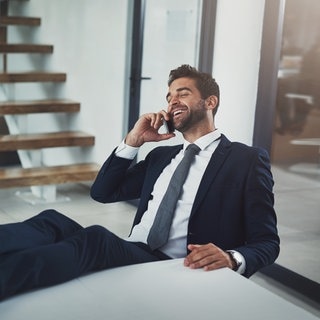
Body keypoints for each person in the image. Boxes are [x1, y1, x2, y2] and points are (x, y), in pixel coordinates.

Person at [0, 65, 280, 301]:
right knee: (52, 221)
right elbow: (102, 192)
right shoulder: (162, 156)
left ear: (210, 102)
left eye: (183, 93)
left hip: (174, 266)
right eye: (169, 96)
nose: (172, 102)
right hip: (135, 250)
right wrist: (132, 142)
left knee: (95, 239)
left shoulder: (246, 160)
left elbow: (266, 241)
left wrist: (232, 258)